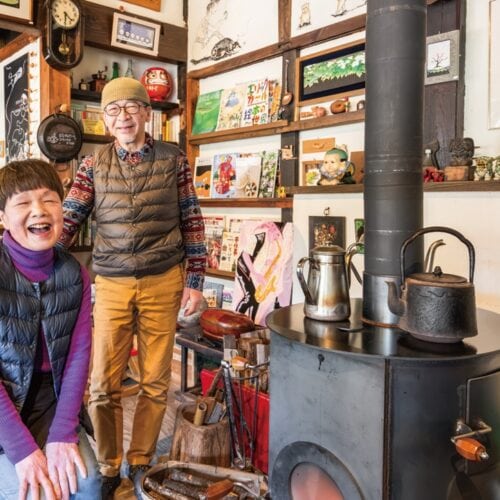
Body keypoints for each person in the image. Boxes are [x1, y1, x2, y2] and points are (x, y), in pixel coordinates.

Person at [58, 77, 207, 498]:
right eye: (113, 110)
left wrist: (194, 280)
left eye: (130, 107)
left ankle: (140, 461)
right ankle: (108, 465)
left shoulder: (174, 159)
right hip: (111, 283)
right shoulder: (92, 165)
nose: (122, 116)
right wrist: (38, 259)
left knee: (155, 382)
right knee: (104, 382)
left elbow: (192, 220)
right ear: (105, 120)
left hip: (165, 279)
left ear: (146, 113)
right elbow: (70, 217)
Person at [0, 159, 101, 500]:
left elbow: (78, 358)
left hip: (50, 401)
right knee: (33, 493)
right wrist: (21, 450)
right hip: (4, 407)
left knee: (86, 483)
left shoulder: (75, 274)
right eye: (23, 203)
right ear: (2, 217)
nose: (39, 211)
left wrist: (62, 433)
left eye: (49, 200)